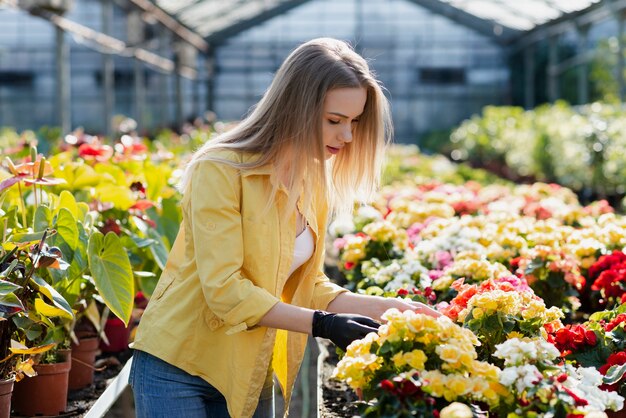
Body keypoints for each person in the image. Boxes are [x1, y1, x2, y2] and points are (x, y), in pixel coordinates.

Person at [129, 37, 440, 418]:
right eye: (334, 121)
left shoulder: (312, 179)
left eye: (354, 123)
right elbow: (225, 290)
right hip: (178, 366)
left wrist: (390, 309)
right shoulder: (222, 168)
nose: (347, 137)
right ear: (295, 108)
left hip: (248, 368)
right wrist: (324, 325)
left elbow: (309, 286)